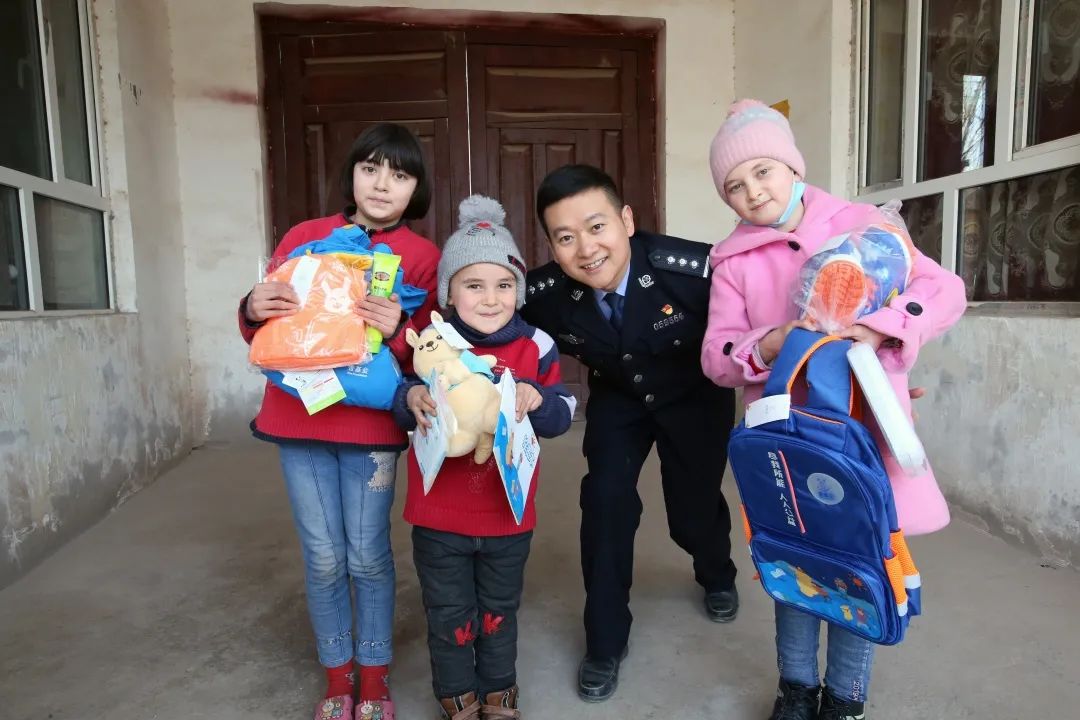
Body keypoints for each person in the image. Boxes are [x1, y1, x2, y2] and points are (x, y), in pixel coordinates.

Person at [700, 99, 966, 720]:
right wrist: (770, 343)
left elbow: (943, 289)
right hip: (787, 439)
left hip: (860, 431)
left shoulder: (864, 227)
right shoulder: (732, 261)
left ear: (793, 167)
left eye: (762, 171)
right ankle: (797, 689)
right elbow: (716, 357)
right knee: (795, 561)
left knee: (857, 561)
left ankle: (845, 698)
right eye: (734, 186)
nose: (752, 192)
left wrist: (882, 328)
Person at [238, 123, 441, 720]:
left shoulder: (423, 259)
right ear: (351, 173)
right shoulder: (305, 237)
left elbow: (432, 353)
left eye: (399, 174)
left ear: (416, 189)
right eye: (370, 168)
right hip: (298, 421)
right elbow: (266, 326)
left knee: (368, 556)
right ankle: (337, 677)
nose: (381, 184)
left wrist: (399, 330)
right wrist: (250, 308)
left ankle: (373, 679)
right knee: (323, 556)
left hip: (371, 429)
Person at [520, 165, 738, 703]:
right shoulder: (544, 294)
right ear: (551, 245)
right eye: (565, 237)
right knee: (605, 502)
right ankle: (605, 641)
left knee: (692, 513)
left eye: (597, 227)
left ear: (627, 220)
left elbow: (762, 323)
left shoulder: (694, 270)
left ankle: (716, 571)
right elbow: (480, 317)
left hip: (694, 396)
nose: (586, 249)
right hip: (619, 399)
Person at [393, 195, 575, 720]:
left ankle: (499, 687)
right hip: (438, 516)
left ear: (519, 290)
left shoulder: (537, 346)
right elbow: (399, 394)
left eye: (504, 285)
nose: (491, 299)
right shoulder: (432, 342)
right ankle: (455, 692)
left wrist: (540, 401)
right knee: (449, 612)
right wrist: (411, 398)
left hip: (507, 515)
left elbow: (563, 410)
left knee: (499, 610)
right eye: (473, 285)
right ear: (448, 292)